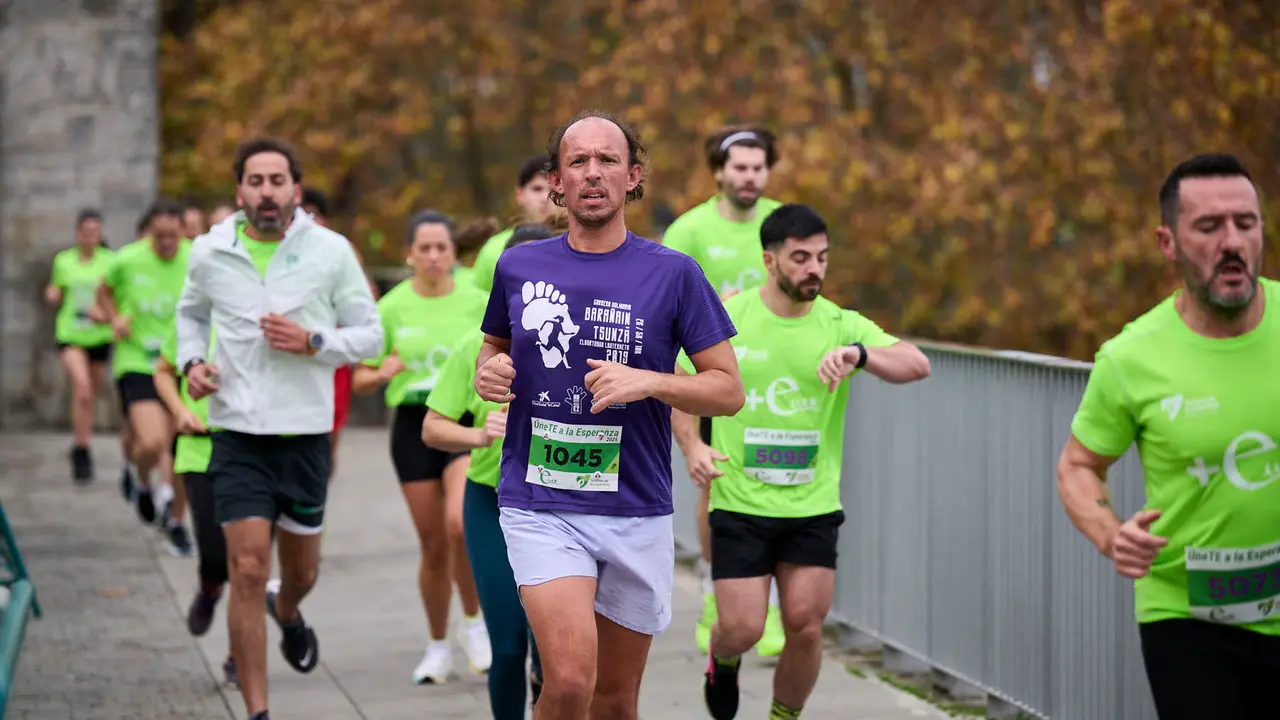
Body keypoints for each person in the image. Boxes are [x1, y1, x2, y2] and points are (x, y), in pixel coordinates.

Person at [474, 110, 745, 720]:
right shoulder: (519, 267)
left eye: (608, 160)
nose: (593, 173)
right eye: (578, 162)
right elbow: (491, 350)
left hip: (635, 506)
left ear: (633, 177)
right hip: (541, 501)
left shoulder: (674, 273)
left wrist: (648, 380)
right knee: (568, 681)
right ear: (556, 184)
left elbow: (728, 390)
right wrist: (485, 372)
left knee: (616, 699)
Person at [684, 204, 931, 720]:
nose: (814, 268)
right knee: (745, 627)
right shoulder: (733, 318)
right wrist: (693, 447)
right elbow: (681, 384)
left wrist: (861, 355)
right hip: (741, 500)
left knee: (806, 624)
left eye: (821, 257)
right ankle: (722, 657)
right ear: (770, 262)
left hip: (811, 503)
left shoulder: (841, 324)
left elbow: (916, 364)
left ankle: (782, 716)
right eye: (800, 258)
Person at [1056, 153, 1279, 720]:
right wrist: (1112, 535)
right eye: (1209, 227)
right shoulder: (1132, 357)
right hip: (1187, 618)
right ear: (1168, 242)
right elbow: (1078, 466)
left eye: (1245, 224)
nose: (1232, 242)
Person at [175, 136, 382, 720]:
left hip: (305, 434)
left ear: (295, 187)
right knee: (245, 567)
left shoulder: (331, 251)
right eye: (255, 181)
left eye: (277, 181)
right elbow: (189, 316)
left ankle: (287, 611)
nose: (267, 192)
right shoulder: (209, 253)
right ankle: (258, 712)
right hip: (237, 432)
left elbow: (371, 336)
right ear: (239, 190)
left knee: (300, 573)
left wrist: (314, 341)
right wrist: (193, 365)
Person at [422, 219, 567, 718]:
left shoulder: (577, 337)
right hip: (492, 500)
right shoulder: (475, 346)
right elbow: (432, 427)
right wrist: (479, 435)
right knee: (507, 648)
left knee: (558, 655)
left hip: (563, 502)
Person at [352, 210, 493, 684]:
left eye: (443, 248)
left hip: (462, 422)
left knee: (458, 526)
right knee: (432, 545)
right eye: (425, 249)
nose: (434, 257)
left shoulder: (478, 301)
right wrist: (380, 373)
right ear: (409, 255)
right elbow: (359, 379)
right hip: (412, 425)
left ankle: (473, 623)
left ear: (456, 254)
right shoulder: (391, 307)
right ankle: (437, 646)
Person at [664, 126, 786, 656]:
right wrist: (720, 301)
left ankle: (772, 606)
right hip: (714, 379)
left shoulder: (783, 223)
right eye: (739, 167)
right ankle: (717, 593)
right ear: (719, 171)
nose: (750, 177)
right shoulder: (690, 229)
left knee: (779, 485)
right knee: (714, 489)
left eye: (758, 168)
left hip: (774, 380)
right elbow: (661, 297)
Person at [97, 200, 192, 552]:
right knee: (152, 442)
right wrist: (114, 318)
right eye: (159, 236)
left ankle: (178, 521)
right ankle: (141, 480)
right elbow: (102, 290)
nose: (167, 242)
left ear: (182, 232)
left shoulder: (196, 257)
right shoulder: (127, 259)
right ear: (149, 232)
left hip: (182, 361)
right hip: (137, 360)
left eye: (173, 235)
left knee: (183, 449)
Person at [154, 322, 238, 686]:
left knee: (248, 565)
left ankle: (239, 655)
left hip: (252, 451)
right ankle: (208, 587)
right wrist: (178, 411)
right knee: (217, 556)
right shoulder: (195, 319)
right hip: (199, 450)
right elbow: (162, 370)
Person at [46, 208, 116, 483]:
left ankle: (80, 445)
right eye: (85, 233)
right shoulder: (64, 261)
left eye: (95, 233)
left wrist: (105, 314)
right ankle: (83, 447)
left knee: (89, 396)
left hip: (99, 335)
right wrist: (52, 294)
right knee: (83, 388)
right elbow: (56, 288)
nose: (90, 238)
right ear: (77, 233)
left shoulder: (111, 261)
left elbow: (119, 296)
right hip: (70, 333)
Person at [470, 155, 556, 292]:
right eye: (537, 189)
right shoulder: (493, 250)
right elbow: (479, 305)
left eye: (553, 190)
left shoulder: (578, 244)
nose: (545, 198)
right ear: (519, 195)